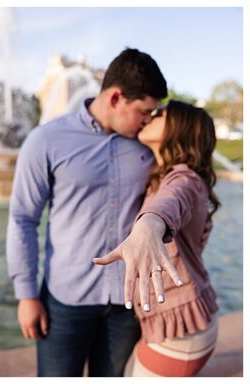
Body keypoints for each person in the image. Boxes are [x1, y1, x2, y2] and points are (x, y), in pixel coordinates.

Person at [6, 48, 167, 376]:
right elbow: (23, 218)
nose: (149, 120)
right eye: (144, 111)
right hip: (65, 301)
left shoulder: (147, 144)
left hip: (127, 303)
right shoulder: (46, 140)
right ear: (116, 97)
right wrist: (26, 295)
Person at [93, 101, 220, 376]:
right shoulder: (167, 175)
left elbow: (170, 203)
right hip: (184, 322)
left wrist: (149, 225)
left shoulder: (184, 179)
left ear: (179, 128)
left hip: (181, 333)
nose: (152, 115)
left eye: (160, 113)